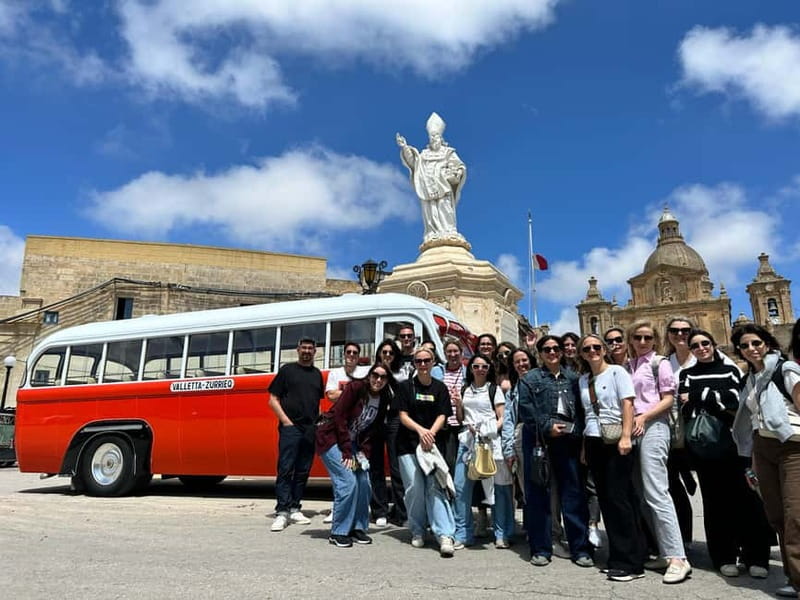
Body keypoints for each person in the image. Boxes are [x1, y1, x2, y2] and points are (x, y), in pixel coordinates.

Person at [679, 329, 772, 577]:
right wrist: (715, 399)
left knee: (748, 500)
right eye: (695, 345)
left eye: (705, 343)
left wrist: (700, 395)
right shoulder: (686, 374)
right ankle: (724, 556)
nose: (701, 348)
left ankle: (756, 557)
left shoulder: (731, 370)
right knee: (714, 503)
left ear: (713, 344)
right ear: (691, 350)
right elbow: (685, 405)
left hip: (736, 444)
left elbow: (735, 401)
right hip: (705, 448)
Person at [732, 323, 800, 598]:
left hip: (792, 444)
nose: (751, 349)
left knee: (796, 515)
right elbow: (753, 419)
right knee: (777, 515)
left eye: (756, 343)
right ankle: (794, 579)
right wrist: (753, 460)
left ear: (767, 343)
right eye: (745, 345)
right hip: (763, 447)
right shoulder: (750, 378)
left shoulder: (786, 369)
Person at [517, 335, 593, 568]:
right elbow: (526, 410)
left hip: (569, 441)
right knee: (538, 495)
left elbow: (583, 410)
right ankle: (541, 548)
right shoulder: (529, 379)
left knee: (573, 494)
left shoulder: (574, 378)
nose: (552, 353)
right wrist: (548, 426)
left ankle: (580, 548)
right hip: (539, 442)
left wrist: (576, 433)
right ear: (540, 353)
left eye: (556, 348)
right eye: (547, 349)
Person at [576, 334, 646, 582]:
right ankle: (618, 557)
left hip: (616, 438)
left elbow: (627, 404)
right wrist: (584, 447)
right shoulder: (584, 380)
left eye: (596, 347)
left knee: (621, 499)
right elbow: (587, 414)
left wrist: (626, 436)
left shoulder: (617, 372)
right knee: (606, 501)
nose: (592, 351)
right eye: (587, 349)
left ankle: (632, 563)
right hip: (593, 440)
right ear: (582, 354)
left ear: (604, 350)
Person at [625, 320, 691, 583]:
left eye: (648, 337)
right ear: (631, 340)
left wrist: (644, 417)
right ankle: (665, 552)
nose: (642, 342)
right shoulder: (628, 366)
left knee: (657, 492)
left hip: (654, 426)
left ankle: (678, 557)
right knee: (642, 494)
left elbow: (668, 398)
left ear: (655, 340)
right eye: (638, 337)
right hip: (634, 428)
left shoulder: (659, 363)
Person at [316, 363, 396, 547]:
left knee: (363, 483)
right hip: (332, 439)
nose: (378, 380)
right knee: (347, 482)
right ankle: (338, 531)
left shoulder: (383, 397)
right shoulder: (356, 388)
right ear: (369, 375)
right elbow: (339, 417)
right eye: (375, 375)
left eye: (383, 377)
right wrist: (346, 450)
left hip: (354, 444)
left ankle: (357, 528)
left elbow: (373, 428)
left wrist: (363, 453)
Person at [396, 347, 457, 557]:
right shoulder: (405, 387)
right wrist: (420, 431)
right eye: (418, 361)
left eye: (426, 361)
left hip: (431, 446)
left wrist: (430, 433)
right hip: (408, 445)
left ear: (432, 363)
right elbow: (402, 415)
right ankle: (418, 530)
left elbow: (443, 414)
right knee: (415, 487)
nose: (422, 364)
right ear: (414, 364)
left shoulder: (440, 388)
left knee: (435, 487)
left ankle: (444, 534)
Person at [452, 354, 510, 548]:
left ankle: (501, 533)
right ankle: (463, 534)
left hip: (490, 442)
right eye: (476, 366)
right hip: (468, 443)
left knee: (497, 489)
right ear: (471, 369)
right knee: (461, 488)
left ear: (489, 369)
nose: (480, 370)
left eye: (484, 366)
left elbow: (502, 417)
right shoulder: (465, 389)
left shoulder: (494, 389)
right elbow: (461, 418)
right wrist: (458, 405)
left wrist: (488, 429)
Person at [268, 337, 324, 532]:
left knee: (303, 470)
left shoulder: (317, 374)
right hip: (291, 428)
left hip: (309, 429)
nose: (307, 351)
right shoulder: (287, 370)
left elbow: (316, 402)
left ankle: (294, 508)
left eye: (310, 348)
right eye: (304, 348)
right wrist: (286, 422)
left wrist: (317, 423)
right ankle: (282, 511)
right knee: (286, 469)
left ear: (315, 351)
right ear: (298, 350)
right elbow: (272, 399)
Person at [396, 112, 467, 245]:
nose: (434, 139)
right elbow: (413, 163)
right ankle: (433, 232)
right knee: (430, 211)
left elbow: (459, 165)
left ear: (441, 138)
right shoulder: (424, 155)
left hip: (443, 186)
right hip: (427, 188)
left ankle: (449, 231)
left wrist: (457, 172)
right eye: (432, 136)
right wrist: (405, 147)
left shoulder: (448, 152)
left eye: (436, 136)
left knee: (444, 207)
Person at [323, 342, 370, 524]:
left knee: (359, 474)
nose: (351, 355)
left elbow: (367, 393)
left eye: (355, 352)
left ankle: (356, 511)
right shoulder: (335, 373)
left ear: (358, 356)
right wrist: (351, 391)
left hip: (357, 428)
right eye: (348, 352)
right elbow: (330, 395)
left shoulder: (364, 372)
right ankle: (338, 510)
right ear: (344, 354)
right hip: (338, 426)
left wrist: (343, 391)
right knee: (342, 474)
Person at [663, 317, 698, 548]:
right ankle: (684, 537)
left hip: (703, 432)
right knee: (673, 487)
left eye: (685, 330)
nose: (680, 334)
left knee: (716, 488)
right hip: (675, 433)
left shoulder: (707, 354)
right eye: (674, 330)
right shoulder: (665, 363)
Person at [369, 339, 406, 527]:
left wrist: (389, 374)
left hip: (394, 422)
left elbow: (401, 396)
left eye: (391, 353)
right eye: (384, 352)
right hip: (375, 422)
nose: (387, 356)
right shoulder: (373, 372)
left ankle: (401, 512)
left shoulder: (401, 374)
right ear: (379, 354)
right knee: (375, 467)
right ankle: (379, 510)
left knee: (396, 468)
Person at [504, 347, 537, 533]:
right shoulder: (513, 390)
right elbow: (509, 420)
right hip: (521, 435)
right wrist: (508, 449)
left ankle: (552, 529)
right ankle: (534, 528)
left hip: (543, 436)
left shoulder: (542, 380)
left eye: (524, 360)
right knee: (526, 486)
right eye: (517, 362)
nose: (521, 364)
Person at [442, 340, 467, 474]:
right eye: (449, 352)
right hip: (445, 424)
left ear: (461, 353)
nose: (453, 354)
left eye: (456, 351)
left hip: (463, 422)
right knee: (449, 461)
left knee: (463, 461)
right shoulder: (438, 372)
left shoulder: (467, 373)